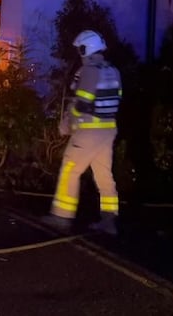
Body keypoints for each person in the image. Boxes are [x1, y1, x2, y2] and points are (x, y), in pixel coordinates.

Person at [43, 29, 122, 236]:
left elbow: (83, 103)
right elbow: (116, 98)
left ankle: (61, 216)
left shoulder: (89, 70)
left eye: (80, 49)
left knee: (70, 169)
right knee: (105, 175)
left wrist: (68, 123)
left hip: (88, 131)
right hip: (108, 130)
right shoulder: (113, 70)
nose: (79, 53)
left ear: (87, 48)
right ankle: (109, 220)